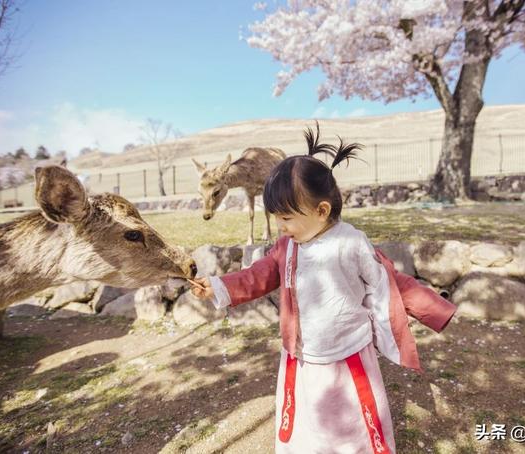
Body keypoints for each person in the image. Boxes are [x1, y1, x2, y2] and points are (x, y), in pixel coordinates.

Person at [190, 123, 457, 453]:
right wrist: (218, 287)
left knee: (351, 420)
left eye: (286, 218)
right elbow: (258, 275)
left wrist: (436, 308)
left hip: (347, 356)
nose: (280, 227)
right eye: (276, 218)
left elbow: (389, 281)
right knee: (307, 417)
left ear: (321, 211)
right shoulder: (287, 246)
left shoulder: (350, 244)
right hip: (300, 355)